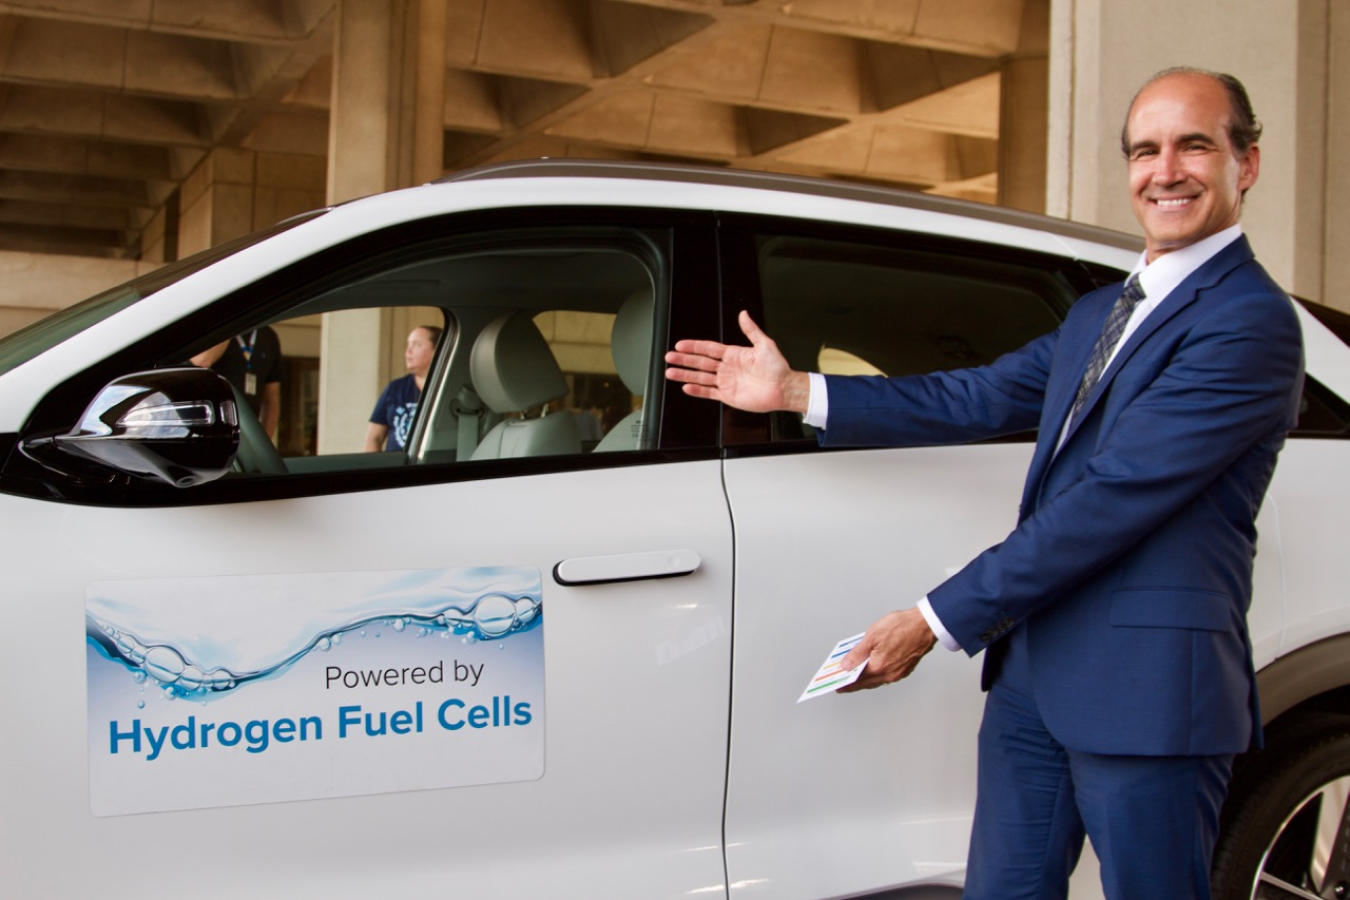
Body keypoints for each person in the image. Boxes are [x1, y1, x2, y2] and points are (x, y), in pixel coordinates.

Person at [665, 68, 1304, 900]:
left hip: (1148, 693)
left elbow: (1113, 497)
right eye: (1146, 150)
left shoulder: (1248, 322)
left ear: (1244, 164)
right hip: (1035, 676)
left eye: (1195, 146)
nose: (1166, 170)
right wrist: (795, 393)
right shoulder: (1101, 312)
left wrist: (932, 620)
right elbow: (977, 395)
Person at [192, 326, 283, 440]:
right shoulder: (220, 329)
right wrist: (230, 326)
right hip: (213, 430)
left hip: (248, 435)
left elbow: (272, 399)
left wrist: (264, 442)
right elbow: (202, 360)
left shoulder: (269, 336)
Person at [365, 325, 443, 452]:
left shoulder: (449, 388)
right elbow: (374, 439)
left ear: (438, 349)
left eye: (417, 345)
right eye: (408, 345)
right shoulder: (394, 388)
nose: (408, 351)